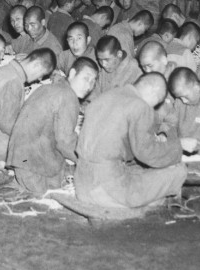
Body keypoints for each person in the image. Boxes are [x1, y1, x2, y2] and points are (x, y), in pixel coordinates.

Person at [75, 73, 186, 209]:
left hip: (81, 184)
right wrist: (177, 148)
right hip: (105, 191)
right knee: (178, 171)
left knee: (139, 171)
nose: (152, 107)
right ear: (153, 92)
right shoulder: (139, 105)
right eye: (155, 103)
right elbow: (147, 153)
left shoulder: (105, 96)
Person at [6, 57, 98, 197]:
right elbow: (65, 141)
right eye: (86, 78)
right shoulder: (68, 96)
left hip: (22, 161)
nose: (89, 86)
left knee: (67, 171)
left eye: (93, 82)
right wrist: (87, 161)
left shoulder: (48, 87)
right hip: (33, 169)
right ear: (72, 74)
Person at [0, 49, 56, 164]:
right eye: (42, 75)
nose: (39, 79)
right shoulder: (14, 81)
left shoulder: (4, 70)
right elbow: (7, 124)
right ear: (36, 65)